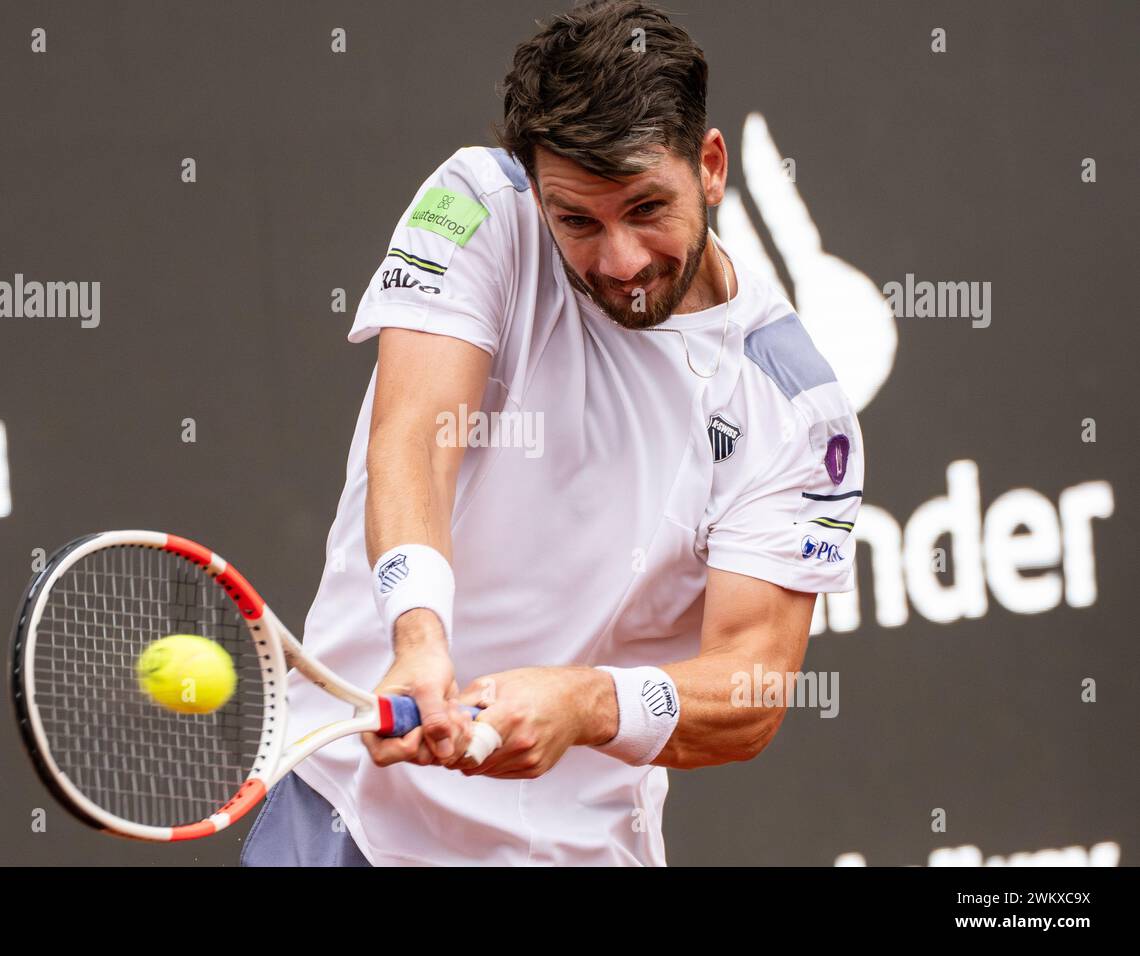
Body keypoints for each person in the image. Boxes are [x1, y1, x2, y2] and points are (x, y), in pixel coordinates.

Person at [241, 0, 864, 867]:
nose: (620, 259)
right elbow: (415, 436)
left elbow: (750, 688)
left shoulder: (798, 412)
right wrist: (419, 635)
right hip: (350, 815)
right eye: (577, 220)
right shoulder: (475, 208)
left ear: (711, 166)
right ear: (536, 191)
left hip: (578, 850)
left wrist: (585, 705)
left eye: (648, 206)